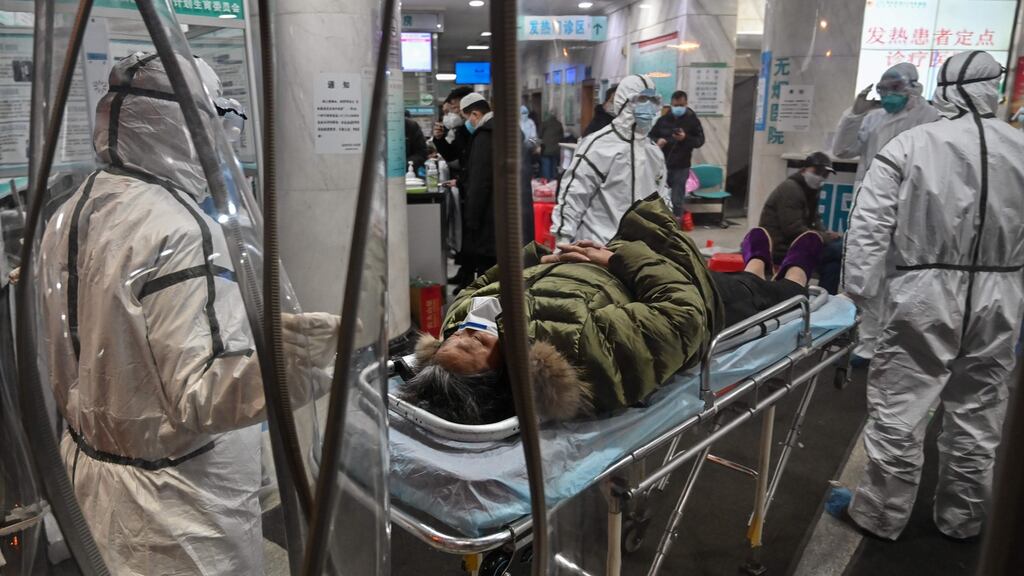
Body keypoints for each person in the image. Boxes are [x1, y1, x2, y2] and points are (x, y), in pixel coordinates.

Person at [37, 53, 338, 575]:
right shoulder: (179, 228)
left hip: (90, 478)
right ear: (184, 127)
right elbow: (201, 396)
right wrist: (306, 358)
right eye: (215, 117)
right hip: (179, 511)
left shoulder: (71, 208)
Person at [400, 196, 823, 424]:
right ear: (499, 378)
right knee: (751, 293)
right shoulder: (582, 356)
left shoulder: (461, 322)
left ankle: (756, 263)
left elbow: (482, 285)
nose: (462, 333)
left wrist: (539, 260)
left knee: (740, 279)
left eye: (452, 340)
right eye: (472, 344)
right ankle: (795, 274)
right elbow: (683, 313)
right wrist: (615, 261)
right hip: (670, 286)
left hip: (599, 267)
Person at [838, 51, 1024, 542]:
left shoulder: (912, 145)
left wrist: (861, 295)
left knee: (901, 405)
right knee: (980, 409)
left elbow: (870, 224)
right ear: (991, 89)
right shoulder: (1021, 147)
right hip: (1003, 290)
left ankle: (880, 514)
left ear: (942, 88)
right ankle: (963, 519)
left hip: (925, 290)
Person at [833, 62, 940, 362]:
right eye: (883, 89)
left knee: (901, 278)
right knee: (865, 276)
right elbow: (842, 150)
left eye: (895, 88)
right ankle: (865, 344)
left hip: (910, 207)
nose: (888, 95)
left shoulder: (929, 117)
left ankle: (892, 344)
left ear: (913, 88)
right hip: (871, 205)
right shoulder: (873, 118)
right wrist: (854, 114)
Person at [550, 74, 671, 246]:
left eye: (653, 100)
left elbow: (663, 198)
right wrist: (562, 240)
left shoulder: (653, 153)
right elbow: (573, 196)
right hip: (597, 246)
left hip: (640, 250)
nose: (648, 106)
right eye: (641, 99)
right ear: (623, 101)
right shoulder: (597, 146)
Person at [758, 152, 842, 293]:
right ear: (804, 170)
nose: (821, 177)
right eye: (818, 172)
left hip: (798, 243)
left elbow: (815, 219)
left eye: (825, 174)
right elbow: (792, 230)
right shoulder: (791, 189)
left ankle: (824, 301)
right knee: (838, 249)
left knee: (834, 263)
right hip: (781, 247)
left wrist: (826, 233)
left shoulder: (811, 190)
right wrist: (825, 238)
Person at [459, 92, 497, 282]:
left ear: (475, 114)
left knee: (487, 277)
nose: (469, 124)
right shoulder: (505, 130)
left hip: (489, 220)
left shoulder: (484, 136)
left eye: (467, 119)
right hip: (505, 218)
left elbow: (479, 182)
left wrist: (471, 220)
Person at [650, 90, 705, 219]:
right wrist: (658, 141)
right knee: (658, 197)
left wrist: (685, 138)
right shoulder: (663, 120)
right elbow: (651, 136)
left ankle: (676, 226)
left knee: (677, 199)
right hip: (662, 164)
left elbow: (699, 141)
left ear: (686, 104)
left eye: (681, 105)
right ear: (671, 104)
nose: (678, 108)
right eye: (675, 106)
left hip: (682, 165)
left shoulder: (693, 121)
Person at [539, 109, 564, 180]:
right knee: (553, 166)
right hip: (555, 150)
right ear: (556, 115)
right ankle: (553, 182)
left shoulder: (544, 123)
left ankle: (546, 182)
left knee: (546, 166)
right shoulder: (559, 124)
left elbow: (540, 135)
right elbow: (562, 137)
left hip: (545, 149)